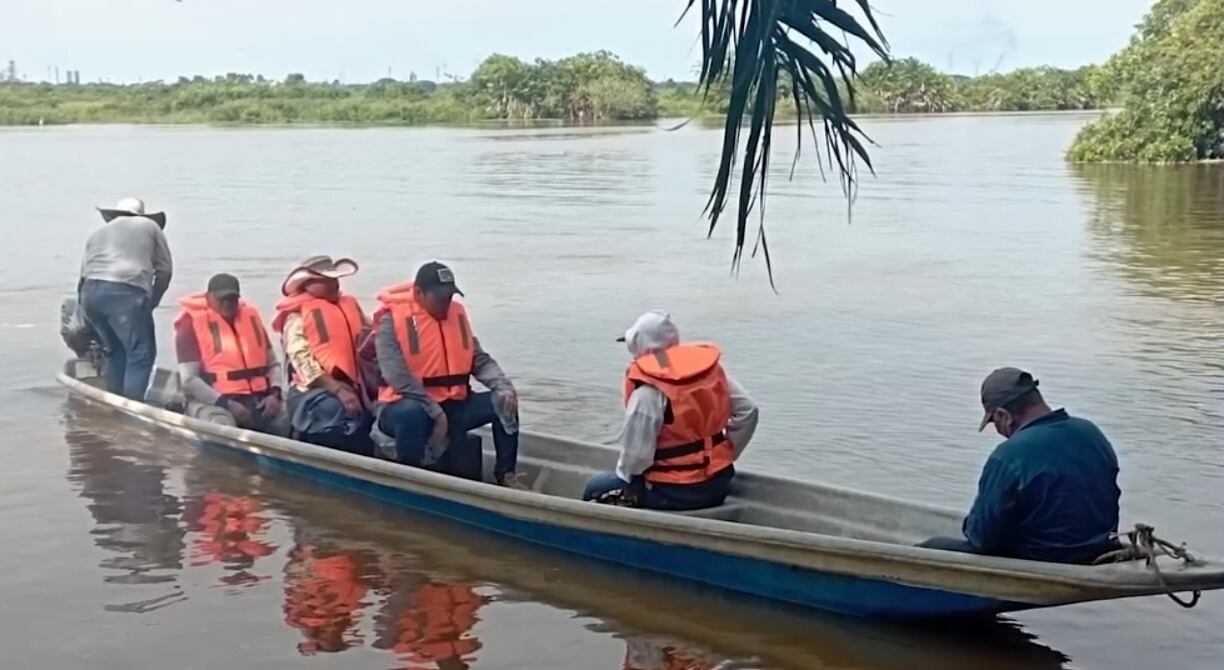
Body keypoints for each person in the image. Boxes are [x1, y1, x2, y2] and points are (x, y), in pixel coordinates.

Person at [919, 368, 1122, 564]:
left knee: (930, 547)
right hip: (1099, 552)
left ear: (1003, 416)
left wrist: (973, 524)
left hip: (1044, 560)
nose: (998, 431)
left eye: (994, 422)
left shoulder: (1008, 456)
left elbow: (982, 539)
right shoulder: (1091, 433)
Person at [583, 310, 759, 510]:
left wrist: (626, 478)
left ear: (638, 346)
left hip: (672, 491)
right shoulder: (710, 371)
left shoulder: (647, 391)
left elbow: (636, 459)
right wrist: (725, 453)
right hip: (719, 482)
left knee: (595, 487)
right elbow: (748, 410)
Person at [373, 261, 525, 488]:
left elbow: (480, 360)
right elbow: (397, 377)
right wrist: (436, 413)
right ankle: (410, 481)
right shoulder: (391, 321)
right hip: (407, 406)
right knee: (412, 414)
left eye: (449, 297)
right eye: (439, 297)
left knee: (504, 402)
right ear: (418, 293)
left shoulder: (457, 316)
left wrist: (503, 387)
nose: (446, 303)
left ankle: (506, 475)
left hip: (453, 405)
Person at [272, 255, 374, 455]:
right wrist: (338, 390)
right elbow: (303, 361)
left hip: (354, 384)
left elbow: (369, 332)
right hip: (313, 389)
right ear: (307, 284)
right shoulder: (296, 316)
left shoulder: (350, 305)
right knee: (337, 412)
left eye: (335, 279)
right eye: (326, 280)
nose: (334, 284)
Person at [77, 197, 173, 399]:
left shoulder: (97, 234)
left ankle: (115, 400)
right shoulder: (150, 226)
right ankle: (132, 404)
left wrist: (84, 309)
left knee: (115, 350)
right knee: (141, 352)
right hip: (125, 293)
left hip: (90, 294)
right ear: (142, 214)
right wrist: (152, 301)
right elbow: (164, 270)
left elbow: (83, 277)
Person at [174, 273, 289, 435]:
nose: (227, 303)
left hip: (258, 400)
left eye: (232, 299)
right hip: (213, 402)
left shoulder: (251, 319)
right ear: (208, 297)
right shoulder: (189, 325)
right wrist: (226, 404)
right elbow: (189, 381)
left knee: (291, 422)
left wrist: (274, 395)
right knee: (222, 426)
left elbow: (273, 365)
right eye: (222, 299)